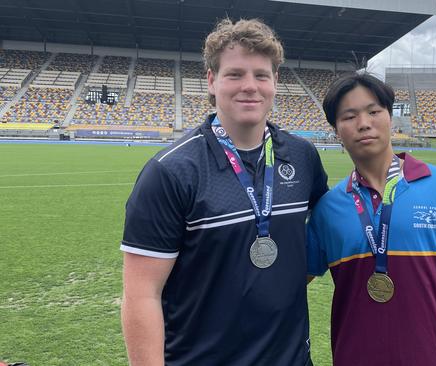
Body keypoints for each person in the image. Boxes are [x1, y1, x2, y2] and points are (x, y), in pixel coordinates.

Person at [120, 18, 328, 365]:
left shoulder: (302, 157)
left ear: (276, 81)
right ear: (212, 81)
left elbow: (327, 231)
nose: (250, 86)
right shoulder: (171, 171)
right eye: (235, 74)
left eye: (261, 75)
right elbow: (142, 295)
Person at [307, 73, 436, 366]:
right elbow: (289, 282)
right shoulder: (328, 208)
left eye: (374, 112)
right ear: (336, 131)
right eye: (349, 116)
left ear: (390, 118)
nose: (364, 123)